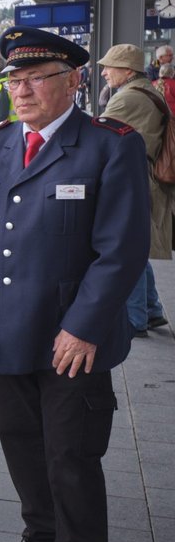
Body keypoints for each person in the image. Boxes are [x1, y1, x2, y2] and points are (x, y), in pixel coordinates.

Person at [0, 26, 150, 542]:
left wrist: (85, 327)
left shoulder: (110, 144)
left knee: (71, 451)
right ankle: (40, 538)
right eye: (14, 80)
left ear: (73, 81)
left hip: (71, 334)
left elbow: (121, 250)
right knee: (20, 442)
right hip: (7, 325)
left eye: (36, 79)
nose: (21, 91)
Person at [98, 43, 172, 336]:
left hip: (136, 179)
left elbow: (99, 132)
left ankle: (135, 319)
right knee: (138, 245)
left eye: (109, 67)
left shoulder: (128, 98)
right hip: (146, 176)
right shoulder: (146, 91)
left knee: (128, 248)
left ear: (128, 70)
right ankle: (152, 310)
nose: (104, 73)